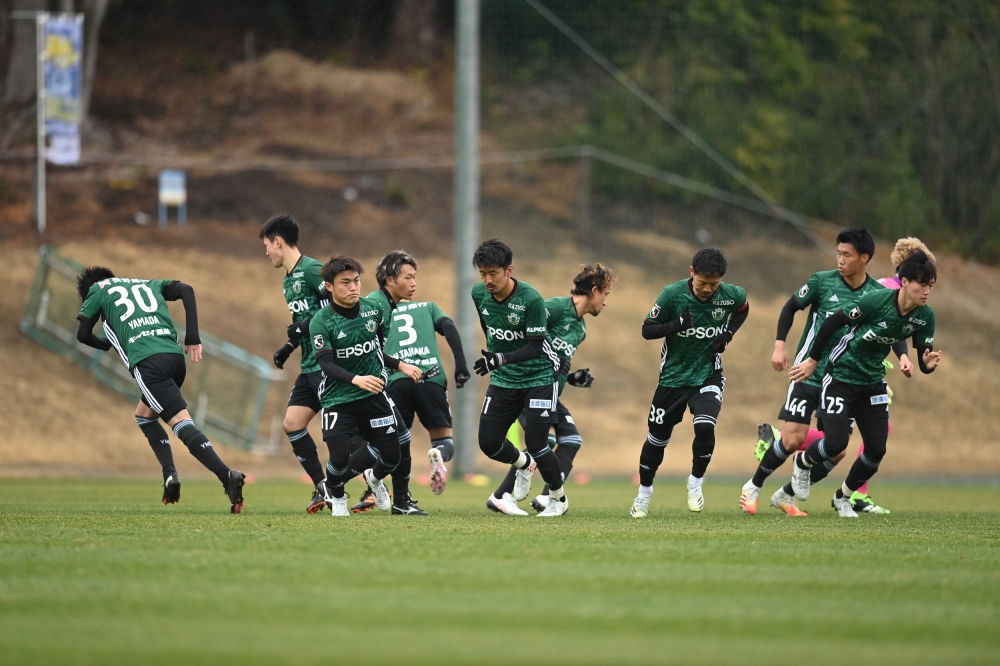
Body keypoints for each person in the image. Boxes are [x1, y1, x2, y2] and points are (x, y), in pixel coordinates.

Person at [739, 228, 910, 517]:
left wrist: (904, 356)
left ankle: (785, 495)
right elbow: (790, 307)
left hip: (843, 380)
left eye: (847, 255)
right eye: (838, 253)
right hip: (809, 373)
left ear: (864, 258)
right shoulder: (822, 281)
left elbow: (892, 329)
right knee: (793, 438)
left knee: (837, 449)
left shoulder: (877, 295)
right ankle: (753, 486)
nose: (840, 260)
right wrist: (779, 347)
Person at [75, 267, 246, 512]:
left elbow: (82, 334)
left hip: (149, 364)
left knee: (181, 423)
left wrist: (105, 343)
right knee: (144, 416)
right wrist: (193, 336)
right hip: (175, 360)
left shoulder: (97, 290)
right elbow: (186, 290)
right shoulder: (145, 284)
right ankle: (170, 476)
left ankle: (226, 475)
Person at [786, 250, 941, 517]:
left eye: (930, 286)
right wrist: (813, 360)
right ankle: (802, 462)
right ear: (904, 282)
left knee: (876, 449)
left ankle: (843, 496)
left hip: (872, 382)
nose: (926, 291)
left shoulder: (924, 317)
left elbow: (923, 357)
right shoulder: (875, 300)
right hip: (841, 377)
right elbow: (833, 322)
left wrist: (926, 365)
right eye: (921, 284)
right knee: (835, 445)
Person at [487, 264, 616, 513]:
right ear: (595, 290)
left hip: (550, 392)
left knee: (570, 439)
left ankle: (523, 495)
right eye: (606, 294)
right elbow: (527, 333)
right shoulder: (557, 307)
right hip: (527, 385)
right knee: (545, 440)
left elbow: (558, 364)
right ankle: (532, 496)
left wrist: (572, 377)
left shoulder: (581, 330)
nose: (606, 301)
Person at [630, 248, 749, 517]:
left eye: (713, 284)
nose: (707, 289)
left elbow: (743, 309)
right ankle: (644, 495)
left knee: (705, 426)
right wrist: (677, 324)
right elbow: (647, 330)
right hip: (672, 380)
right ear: (691, 272)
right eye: (702, 282)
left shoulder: (732, 294)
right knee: (657, 441)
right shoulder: (672, 295)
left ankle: (695, 482)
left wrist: (728, 333)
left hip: (708, 375)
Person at [350, 250, 470, 515]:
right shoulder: (416, 307)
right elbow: (449, 327)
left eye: (415, 277)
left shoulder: (384, 306)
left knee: (395, 441)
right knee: (439, 440)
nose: (414, 283)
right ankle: (350, 485)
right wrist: (460, 364)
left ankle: (383, 492)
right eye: (409, 277)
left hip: (396, 382)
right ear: (391, 280)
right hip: (427, 377)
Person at [308, 255, 423, 517]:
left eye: (356, 281)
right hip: (338, 398)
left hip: (373, 395)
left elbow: (377, 349)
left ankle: (374, 478)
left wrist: (396, 365)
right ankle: (336, 494)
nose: (353, 287)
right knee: (338, 459)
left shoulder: (375, 309)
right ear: (329, 287)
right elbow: (326, 365)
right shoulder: (321, 321)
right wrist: (356, 379)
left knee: (392, 456)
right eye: (345, 283)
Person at [471, 238, 568, 517]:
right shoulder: (478, 293)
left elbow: (536, 345)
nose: (488, 280)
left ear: (509, 270)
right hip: (504, 379)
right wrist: (496, 356)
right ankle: (523, 464)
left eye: (494, 273)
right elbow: (488, 326)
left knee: (538, 442)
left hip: (539, 376)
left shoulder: (531, 299)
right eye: (483, 273)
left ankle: (557, 499)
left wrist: (500, 357)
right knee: (488, 443)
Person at [259, 214, 335, 514]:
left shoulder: (313, 270)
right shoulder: (288, 281)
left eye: (267, 245)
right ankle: (324, 487)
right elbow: (301, 324)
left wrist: (305, 325)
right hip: (308, 366)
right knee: (292, 424)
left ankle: (373, 481)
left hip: (327, 364)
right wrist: (288, 347)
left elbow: (340, 305)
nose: (266, 252)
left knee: (342, 432)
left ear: (278, 242)